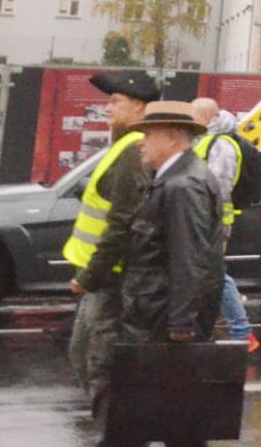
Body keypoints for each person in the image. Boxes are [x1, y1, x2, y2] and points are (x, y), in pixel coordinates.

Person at [115, 101, 225, 447]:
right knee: (170, 414)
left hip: (161, 320)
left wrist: (180, 322)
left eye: (148, 135)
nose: (141, 142)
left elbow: (188, 258)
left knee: (171, 416)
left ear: (174, 137)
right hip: (157, 313)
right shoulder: (174, 179)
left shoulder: (183, 186)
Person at [63, 71, 158, 429]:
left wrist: (89, 276)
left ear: (139, 107)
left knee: (99, 363)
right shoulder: (125, 147)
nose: (107, 108)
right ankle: (116, 427)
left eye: (115, 101)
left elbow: (122, 225)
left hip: (109, 281)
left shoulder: (133, 152)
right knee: (87, 357)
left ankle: (117, 431)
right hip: (102, 279)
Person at [189, 97, 258, 354]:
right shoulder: (207, 140)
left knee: (217, 276)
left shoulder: (221, 144)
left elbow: (217, 187)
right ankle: (237, 330)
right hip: (205, 220)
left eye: (193, 116)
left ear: (207, 118)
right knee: (213, 275)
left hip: (212, 221)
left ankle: (242, 331)